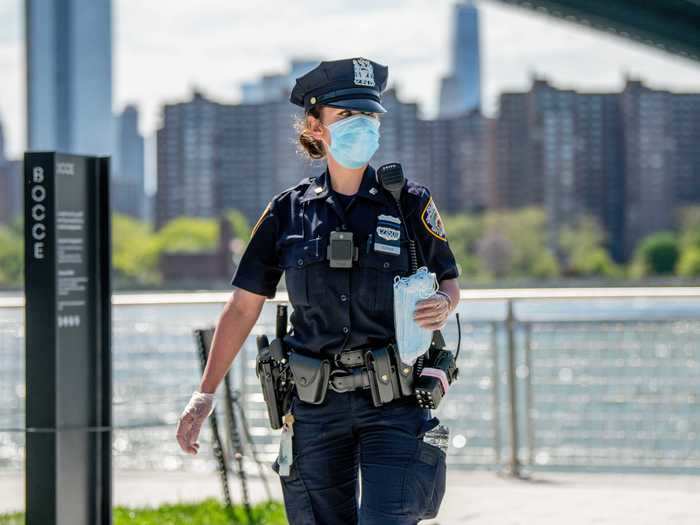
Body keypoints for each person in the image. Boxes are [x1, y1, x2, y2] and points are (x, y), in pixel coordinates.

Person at [176, 57, 461, 524]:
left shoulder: (410, 202)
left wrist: (443, 304)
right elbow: (244, 307)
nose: (362, 127)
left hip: (395, 404)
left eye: (369, 117)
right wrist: (203, 395)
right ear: (315, 126)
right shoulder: (288, 212)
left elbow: (449, 278)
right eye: (347, 117)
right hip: (315, 409)